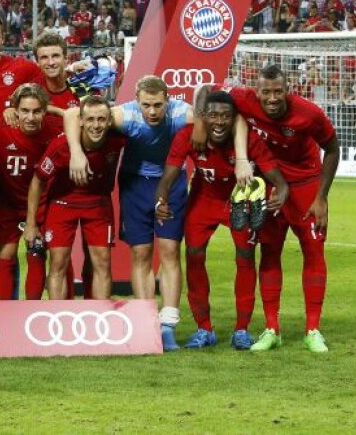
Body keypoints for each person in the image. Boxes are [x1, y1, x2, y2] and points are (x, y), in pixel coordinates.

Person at [63, 76, 248, 351]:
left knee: (171, 251)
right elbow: (72, 113)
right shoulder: (124, 115)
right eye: (146, 105)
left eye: (158, 105)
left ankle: (168, 326)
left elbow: (238, 118)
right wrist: (76, 152)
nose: (152, 111)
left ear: (168, 99)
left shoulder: (180, 113)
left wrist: (236, 152)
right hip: (135, 185)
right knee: (141, 254)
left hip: (171, 183)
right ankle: (146, 323)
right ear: (137, 101)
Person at [156, 91, 289, 350]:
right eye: (213, 115)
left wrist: (281, 193)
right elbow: (168, 177)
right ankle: (204, 328)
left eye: (226, 116)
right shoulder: (188, 135)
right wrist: (161, 199)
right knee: (193, 255)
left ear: (234, 118)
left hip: (239, 201)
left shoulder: (249, 141)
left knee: (245, 257)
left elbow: (279, 180)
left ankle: (241, 329)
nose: (219, 122)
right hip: (203, 200)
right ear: (203, 116)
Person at [227, 65, 339, 353]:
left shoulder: (309, 113)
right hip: (271, 184)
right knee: (270, 251)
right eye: (267, 92)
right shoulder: (243, 98)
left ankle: (313, 329)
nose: (273, 98)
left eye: (279, 91)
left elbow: (333, 149)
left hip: (306, 185)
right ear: (257, 91)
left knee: (313, 252)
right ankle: (272, 329)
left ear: (288, 89)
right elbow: (206, 98)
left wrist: (322, 197)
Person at [25, 95, 125, 300]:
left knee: (102, 261)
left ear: (109, 121)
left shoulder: (118, 137)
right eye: (90, 119)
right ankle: (57, 321)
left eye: (101, 119)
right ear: (81, 121)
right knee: (58, 262)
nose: (96, 125)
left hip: (98, 203)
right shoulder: (61, 146)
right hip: (62, 203)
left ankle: (99, 321)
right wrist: (31, 222)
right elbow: (37, 181)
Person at [0, 83, 65, 300]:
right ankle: (5, 311)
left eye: (37, 111)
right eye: (25, 111)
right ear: (15, 110)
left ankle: (32, 311)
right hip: (7, 203)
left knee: (37, 251)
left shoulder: (56, 129)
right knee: (6, 254)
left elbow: (79, 118)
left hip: (43, 203)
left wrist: (55, 110)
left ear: (45, 111)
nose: (31, 117)